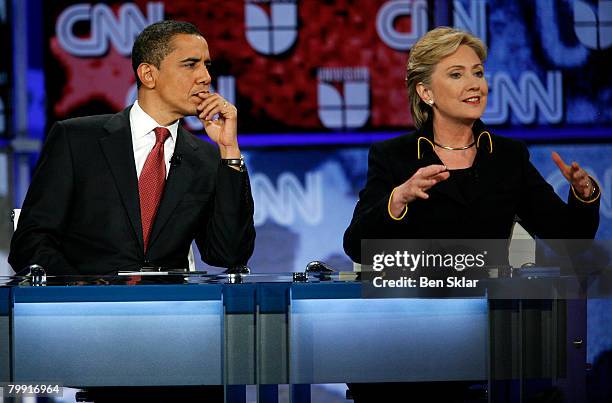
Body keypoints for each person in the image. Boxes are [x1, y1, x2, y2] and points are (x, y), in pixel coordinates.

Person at [343, 27, 600, 403]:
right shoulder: (394, 156)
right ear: (425, 92)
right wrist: (398, 198)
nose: (474, 84)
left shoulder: (508, 157)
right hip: (409, 338)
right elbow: (356, 245)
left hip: (486, 337)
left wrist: (585, 195)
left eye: (477, 72)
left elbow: (569, 240)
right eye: (456, 74)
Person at [9, 20, 256, 276]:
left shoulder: (206, 158)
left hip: (172, 310)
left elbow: (229, 254)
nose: (205, 77)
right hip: (85, 309)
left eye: (206, 65)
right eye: (191, 64)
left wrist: (229, 151)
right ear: (148, 75)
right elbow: (30, 243)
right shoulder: (76, 140)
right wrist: (80, 290)